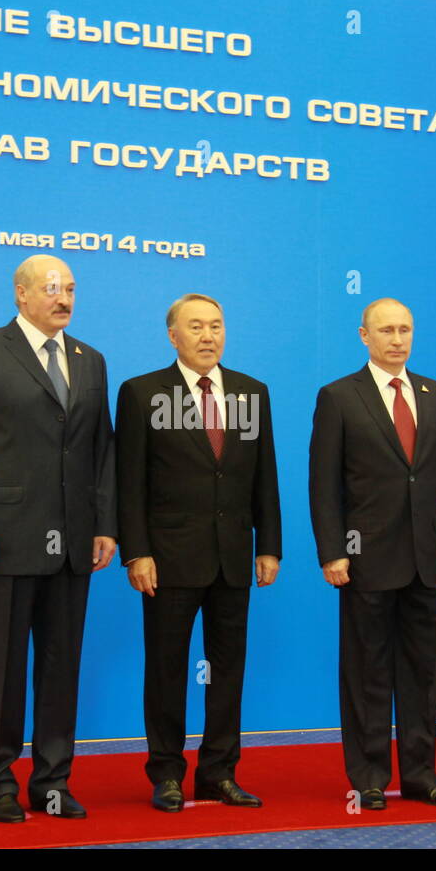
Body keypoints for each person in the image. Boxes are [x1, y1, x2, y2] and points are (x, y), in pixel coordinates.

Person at [0, 255, 117, 823]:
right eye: (51, 289)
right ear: (20, 294)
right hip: (4, 540)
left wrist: (106, 525)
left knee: (61, 670)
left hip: (73, 543)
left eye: (70, 289)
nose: (63, 298)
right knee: (1, 669)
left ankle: (53, 783)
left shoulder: (91, 361)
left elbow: (101, 451)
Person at [308, 297, 436, 810]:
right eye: (386, 330)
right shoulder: (338, 396)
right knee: (367, 671)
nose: (397, 339)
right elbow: (324, 486)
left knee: (422, 673)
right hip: (363, 560)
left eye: (405, 329)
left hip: (426, 559)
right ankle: (369, 778)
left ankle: (421, 776)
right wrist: (333, 551)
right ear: (364, 336)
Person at [115, 293, 281, 812]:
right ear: (173, 335)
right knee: (166, 670)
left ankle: (218, 773)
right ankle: (166, 773)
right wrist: (136, 551)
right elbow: (129, 482)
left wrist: (269, 545)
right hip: (167, 559)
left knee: (228, 669)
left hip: (234, 555)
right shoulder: (142, 393)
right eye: (196, 327)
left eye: (216, 326)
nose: (208, 336)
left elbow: (265, 477)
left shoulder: (252, 393)